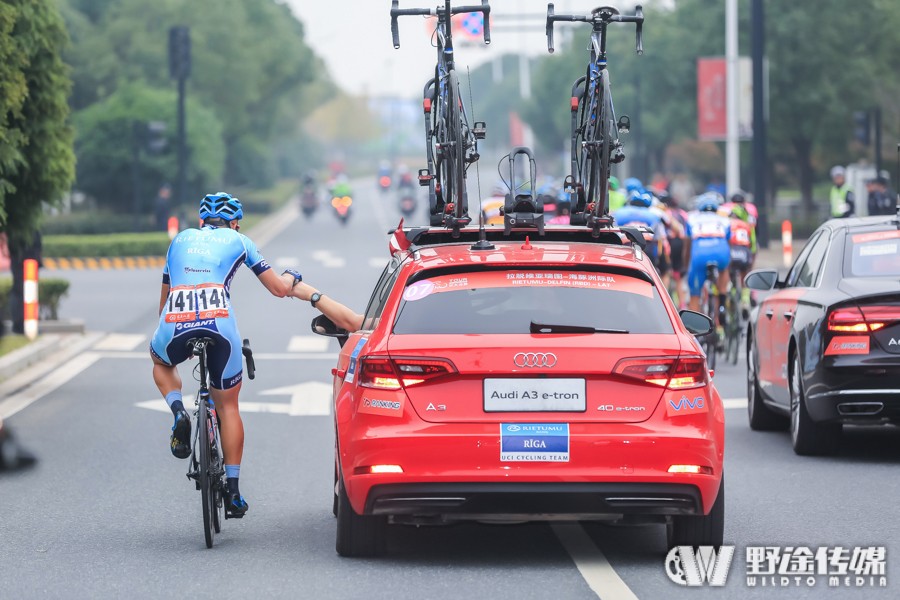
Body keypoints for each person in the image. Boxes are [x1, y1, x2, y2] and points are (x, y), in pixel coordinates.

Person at [150, 192, 302, 517]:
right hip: (220, 326)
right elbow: (278, 288)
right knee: (228, 405)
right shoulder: (240, 240)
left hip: (176, 321)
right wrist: (293, 277)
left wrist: (184, 333)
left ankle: (178, 411)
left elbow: (163, 303)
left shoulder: (179, 240)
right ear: (234, 222)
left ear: (201, 221)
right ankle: (233, 492)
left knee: (161, 363)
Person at [686, 192, 731, 334]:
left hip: (699, 255)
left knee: (695, 294)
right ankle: (722, 306)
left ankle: (693, 331)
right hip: (721, 253)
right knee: (724, 270)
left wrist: (685, 263)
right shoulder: (724, 219)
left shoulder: (692, 218)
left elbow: (688, 245)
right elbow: (728, 242)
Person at [614, 190, 669, 278]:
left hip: (624, 247)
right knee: (650, 276)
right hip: (647, 247)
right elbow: (659, 238)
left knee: (622, 275)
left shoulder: (618, 212)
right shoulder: (654, 215)